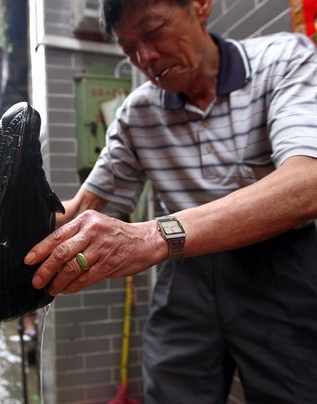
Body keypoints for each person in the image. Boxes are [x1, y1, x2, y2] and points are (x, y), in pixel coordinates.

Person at [25, 0, 317, 402]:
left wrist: (154, 237)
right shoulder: (138, 114)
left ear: (199, 6)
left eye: (153, 29)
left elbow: (308, 180)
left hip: (281, 263)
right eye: (130, 50)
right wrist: (13, 244)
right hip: (187, 275)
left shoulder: (283, 60)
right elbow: (81, 208)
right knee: (173, 390)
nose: (145, 57)